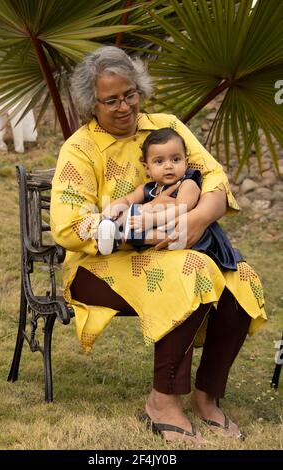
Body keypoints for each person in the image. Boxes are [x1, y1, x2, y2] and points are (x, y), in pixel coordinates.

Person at [50, 46, 267, 444]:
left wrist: (196, 221)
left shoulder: (166, 126)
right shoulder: (79, 149)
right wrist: (139, 232)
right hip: (99, 265)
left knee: (243, 278)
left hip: (177, 251)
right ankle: (163, 401)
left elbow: (215, 179)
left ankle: (207, 397)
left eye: (130, 94)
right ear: (90, 103)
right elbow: (67, 225)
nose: (123, 107)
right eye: (110, 100)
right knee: (192, 272)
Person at [97, 127, 243, 274]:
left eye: (175, 159)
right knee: (131, 213)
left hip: (191, 233)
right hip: (161, 229)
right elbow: (128, 200)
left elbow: (181, 210)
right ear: (147, 168)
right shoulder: (148, 188)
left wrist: (151, 220)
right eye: (159, 161)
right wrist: (114, 209)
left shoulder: (188, 184)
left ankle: (119, 239)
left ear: (185, 163)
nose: (168, 166)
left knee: (161, 225)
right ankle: (112, 230)